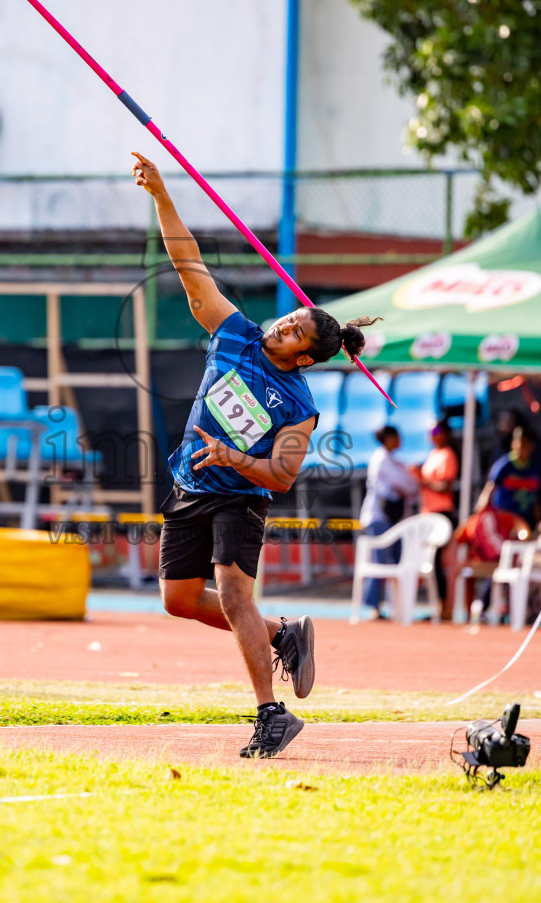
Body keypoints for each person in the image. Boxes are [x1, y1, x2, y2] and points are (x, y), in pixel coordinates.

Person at [131, 151, 379, 758]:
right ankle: (283, 634)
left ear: (302, 357)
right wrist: (161, 195)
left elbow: (282, 475)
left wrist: (232, 457)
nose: (281, 328)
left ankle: (271, 715)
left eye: (293, 332)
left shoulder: (298, 402)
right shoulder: (237, 333)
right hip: (191, 483)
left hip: (239, 497)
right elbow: (189, 266)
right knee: (179, 601)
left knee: (235, 594)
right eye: (287, 319)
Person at [468, 426, 541, 619]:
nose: (522, 447)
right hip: (504, 527)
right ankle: (482, 604)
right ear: (513, 444)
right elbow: (489, 489)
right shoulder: (504, 465)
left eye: (525, 444)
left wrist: (536, 525)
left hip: (524, 525)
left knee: (519, 565)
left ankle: (512, 609)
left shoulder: (534, 468)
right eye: (518, 443)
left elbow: (536, 501)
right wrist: (482, 513)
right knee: (503, 562)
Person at [359, 426, 419, 618]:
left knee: (395, 563)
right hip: (379, 518)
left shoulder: (392, 460)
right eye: (397, 437)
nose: (400, 440)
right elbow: (407, 484)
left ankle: (395, 606)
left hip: (394, 520)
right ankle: (372, 607)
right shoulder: (382, 459)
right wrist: (409, 483)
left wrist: (409, 484)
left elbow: (410, 486)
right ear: (389, 438)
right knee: (379, 562)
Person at [414, 421, 459, 613]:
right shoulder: (433, 454)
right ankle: (436, 606)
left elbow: (445, 487)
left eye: (436, 431)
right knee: (429, 562)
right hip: (428, 513)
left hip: (441, 514)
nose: (432, 434)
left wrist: (422, 480)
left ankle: (444, 607)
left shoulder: (448, 455)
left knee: (437, 562)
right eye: (430, 431)